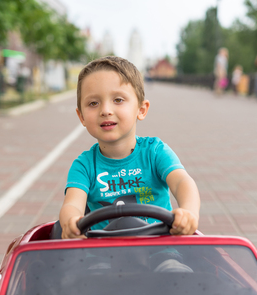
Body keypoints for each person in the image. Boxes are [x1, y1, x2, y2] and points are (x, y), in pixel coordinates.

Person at [59, 56, 200, 239]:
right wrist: (71, 221)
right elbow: (72, 204)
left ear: (141, 109)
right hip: (103, 253)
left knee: (174, 266)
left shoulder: (155, 152)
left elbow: (183, 182)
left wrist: (189, 212)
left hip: (160, 248)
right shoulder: (84, 166)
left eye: (118, 100)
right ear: (82, 117)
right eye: (93, 103)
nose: (106, 110)